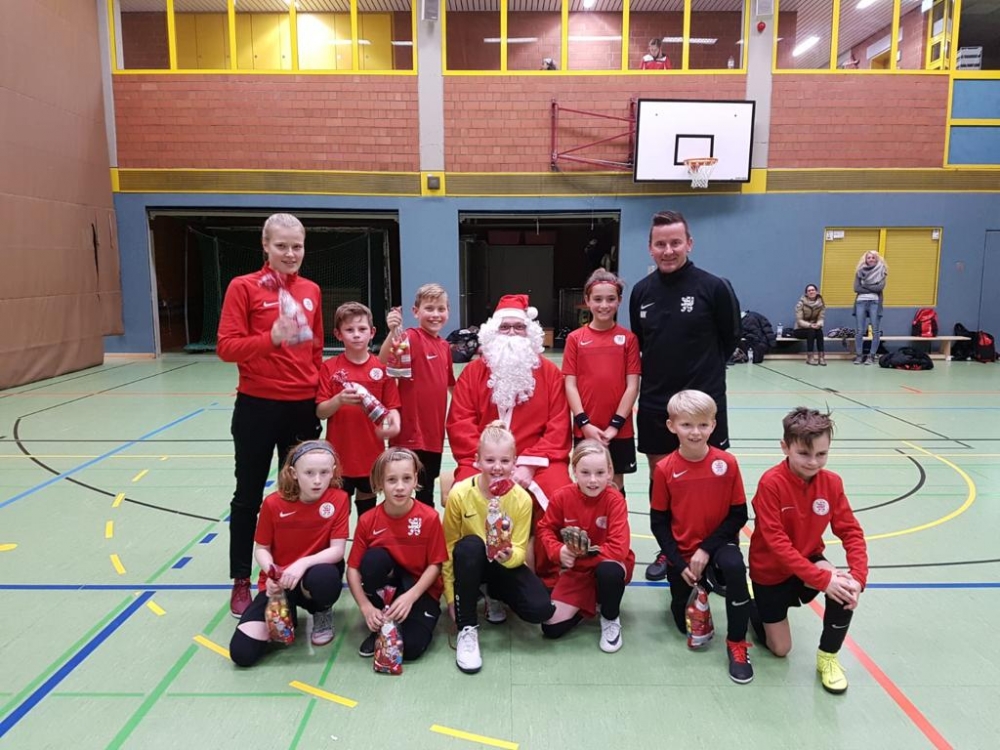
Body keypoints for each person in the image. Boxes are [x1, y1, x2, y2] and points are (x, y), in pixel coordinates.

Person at [217, 213, 324, 618]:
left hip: (301, 408)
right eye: (282, 246)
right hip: (257, 406)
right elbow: (226, 347)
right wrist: (270, 339)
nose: (290, 253)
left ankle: (290, 576)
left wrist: (318, 395)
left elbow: (316, 350)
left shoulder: (311, 290)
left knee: (297, 495)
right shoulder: (243, 287)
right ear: (265, 246)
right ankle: (242, 579)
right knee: (248, 496)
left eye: (297, 246)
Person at [628, 210, 740, 582]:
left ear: (689, 243)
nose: (668, 250)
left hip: (703, 403)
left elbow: (730, 338)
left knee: (712, 480)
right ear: (650, 248)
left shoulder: (714, 287)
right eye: (660, 244)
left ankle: (717, 552)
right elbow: (643, 343)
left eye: (675, 242)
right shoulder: (641, 292)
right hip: (656, 403)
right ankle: (671, 550)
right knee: (663, 478)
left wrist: (701, 382)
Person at [749, 407, 868, 694]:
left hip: (808, 559)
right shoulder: (771, 483)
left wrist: (858, 577)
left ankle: (828, 657)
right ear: (785, 447)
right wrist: (822, 580)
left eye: (822, 454)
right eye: (804, 453)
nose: (813, 462)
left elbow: (851, 532)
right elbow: (778, 545)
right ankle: (756, 608)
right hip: (771, 571)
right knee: (781, 649)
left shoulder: (832, 483)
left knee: (844, 589)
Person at [446, 293, 572, 564]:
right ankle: (472, 567)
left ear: (531, 333)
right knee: (463, 491)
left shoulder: (550, 374)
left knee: (559, 493)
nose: (512, 333)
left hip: (538, 461)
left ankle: (545, 571)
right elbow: (460, 423)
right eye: (505, 327)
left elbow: (559, 427)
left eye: (519, 327)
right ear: (493, 332)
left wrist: (526, 465)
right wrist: (491, 464)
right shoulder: (472, 374)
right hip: (482, 460)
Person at [650, 391, 754, 683]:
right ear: (672, 426)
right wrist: (679, 563)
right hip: (682, 551)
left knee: (735, 567)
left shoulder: (727, 463)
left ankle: (737, 643)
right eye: (686, 425)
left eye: (702, 425)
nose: (695, 432)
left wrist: (706, 549)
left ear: (713, 425)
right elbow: (659, 523)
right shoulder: (664, 469)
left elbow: (738, 515)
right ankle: (698, 584)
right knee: (682, 622)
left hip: (718, 545)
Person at [443, 421, 556, 674]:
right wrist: (451, 598)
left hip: (502, 565)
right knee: (469, 546)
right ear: (477, 461)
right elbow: (448, 548)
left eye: (505, 461)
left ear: (514, 462)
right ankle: (467, 628)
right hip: (471, 563)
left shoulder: (522, 499)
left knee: (541, 609)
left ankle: (493, 594)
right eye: (490, 460)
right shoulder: (460, 494)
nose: (497, 467)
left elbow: (520, 549)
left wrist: (508, 556)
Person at [229, 440, 349, 667]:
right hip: (278, 584)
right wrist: (272, 572)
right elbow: (262, 549)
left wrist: (301, 564)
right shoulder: (273, 504)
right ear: (294, 473)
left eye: (324, 473)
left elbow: (337, 550)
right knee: (242, 653)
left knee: (324, 578)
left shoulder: (339, 499)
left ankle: (321, 610)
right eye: (309, 473)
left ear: (333, 471)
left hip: (310, 580)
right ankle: (288, 615)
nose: (317, 480)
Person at [346, 448, 448, 661]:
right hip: (389, 586)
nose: (400, 487)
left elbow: (436, 564)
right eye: (392, 480)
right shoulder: (368, 521)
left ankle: (399, 621)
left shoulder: (429, 517)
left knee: (409, 649)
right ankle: (380, 621)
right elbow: (353, 569)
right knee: (373, 560)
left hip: (420, 590)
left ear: (415, 480)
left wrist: (411, 597)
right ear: (380, 483)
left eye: (406, 478)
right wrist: (365, 607)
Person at [536, 440, 635, 653]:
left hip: (606, 565)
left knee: (609, 572)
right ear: (574, 471)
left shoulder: (615, 500)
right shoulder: (562, 497)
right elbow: (545, 529)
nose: (592, 480)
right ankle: (590, 603)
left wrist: (580, 558)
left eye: (600, 473)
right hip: (577, 572)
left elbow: (618, 549)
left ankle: (610, 617)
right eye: (585, 472)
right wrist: (557, 551)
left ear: (609, 472)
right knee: (550, 628)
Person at [317, 302, 401, 518]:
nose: (356, 334)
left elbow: (392, 407)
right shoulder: (329, 367)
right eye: (349, 329)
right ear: (338, 334)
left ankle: (365, 540)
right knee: (338, 513)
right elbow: (321, 412)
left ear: (372, 332)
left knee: (367, 511)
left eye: (362, 329)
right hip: (338, 458)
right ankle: (339, 542)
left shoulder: (381, 370)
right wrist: (339, 400)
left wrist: (394, 424)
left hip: (370, 456)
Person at [563, 269, 641, 494]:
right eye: (597, 299)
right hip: (585, 429)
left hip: (619, 430)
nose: (604, 305)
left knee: (614, 483)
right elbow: (570, 385)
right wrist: (584, 423)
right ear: (587, 300)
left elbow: (632, 386)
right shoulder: (575, 339)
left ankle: (616, 519)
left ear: (619, 301)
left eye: (610, 299)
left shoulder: (628, 339)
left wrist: (615, 425)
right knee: (587, 483)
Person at [377, 284, 456, 508]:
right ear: (415, 311)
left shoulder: (444, 346)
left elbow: (452, 386)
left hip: (434, 437)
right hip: (409, 435)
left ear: (448, 311)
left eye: (441, 309)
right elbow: (382, 362)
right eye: (429, 308)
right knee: (400, 492)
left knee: (426, 493)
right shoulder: (410, 337)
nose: (435, 314)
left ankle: (424, 529)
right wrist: (392, 332)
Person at [853, 251, 888, 365]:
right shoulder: (859, 272)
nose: (871, 259)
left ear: (876, 259)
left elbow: (879, 288)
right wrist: (872, 287)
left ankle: (871, 356)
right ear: (865, 259)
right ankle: (859, 356)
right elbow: (856, 288)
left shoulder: (882, 271)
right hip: (861, 302)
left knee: (875, 330)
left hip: (875, 302)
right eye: (869, 257)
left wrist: (865, 285)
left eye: (873, 257)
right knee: (860, 331)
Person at [794, 283, 827, 366]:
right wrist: (810, 325)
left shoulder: (821, 304)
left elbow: (821, 318)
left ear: (816, 291)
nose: (811, 292)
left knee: (819, 331)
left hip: (814, 328)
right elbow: (799, 320)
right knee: (811, 331)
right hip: (800, 329)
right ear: (806, 293)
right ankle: (810, 357)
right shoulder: (800, 304)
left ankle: (821, 357)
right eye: (809, 291)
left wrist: (818, 324)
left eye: (813, 290)